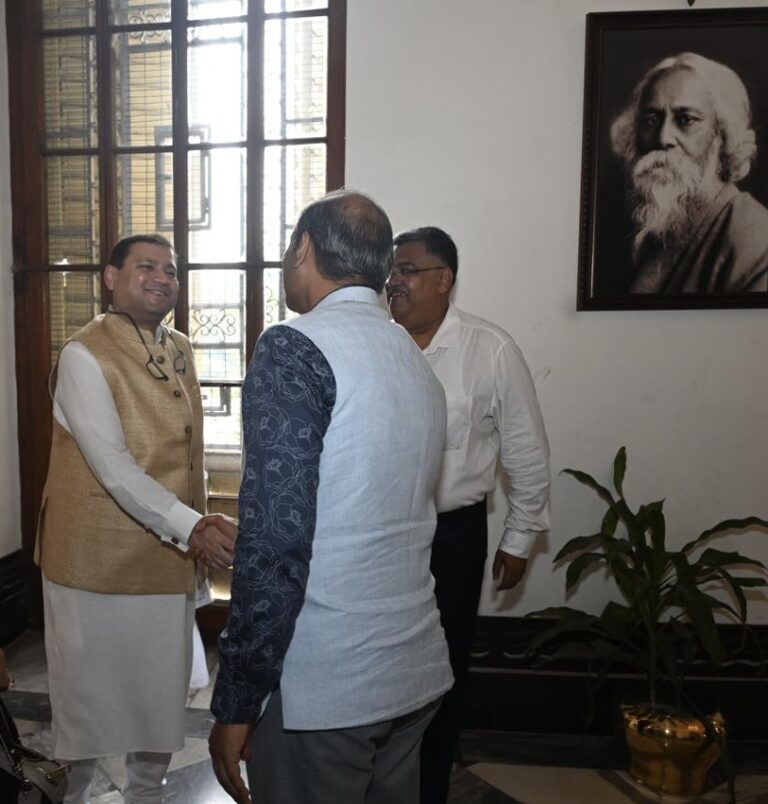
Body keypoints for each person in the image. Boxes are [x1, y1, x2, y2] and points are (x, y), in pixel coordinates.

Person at [208, 191, 452, 804]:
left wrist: (238, 695)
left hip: (329, 684)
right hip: (415, 664)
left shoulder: (295, 348)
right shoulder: (413, 355)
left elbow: (276, 539)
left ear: (305, 249)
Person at [35, 233, 237, 804]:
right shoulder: (84, 353)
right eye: (146, 265)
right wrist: (195, 525)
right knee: (86, 704)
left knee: (158, 695)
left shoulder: (179, 347)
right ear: (110, 276)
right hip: (90, 563)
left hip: (167, 555)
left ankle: (146, 795)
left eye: (170, 269)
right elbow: (112, 466)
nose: (161, 277)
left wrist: (196, 526)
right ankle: (72, 797)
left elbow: (185, 455)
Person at [387, 226, 550, 804]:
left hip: (454, 535)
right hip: (381, 534)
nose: (394, 280)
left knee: (443, 665)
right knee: (382, 659)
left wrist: (520, 536)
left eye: (407, 269)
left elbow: (525, 449)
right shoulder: (377, 343)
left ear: (444, 279)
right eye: (392, 269)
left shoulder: (490, 348)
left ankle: (430, 786)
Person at [610, 51, 768, 294]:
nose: (663, 138)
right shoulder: (652, 226)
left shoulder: (757, 239)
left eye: (686, 119)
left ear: (721, 135)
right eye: (651, 120)